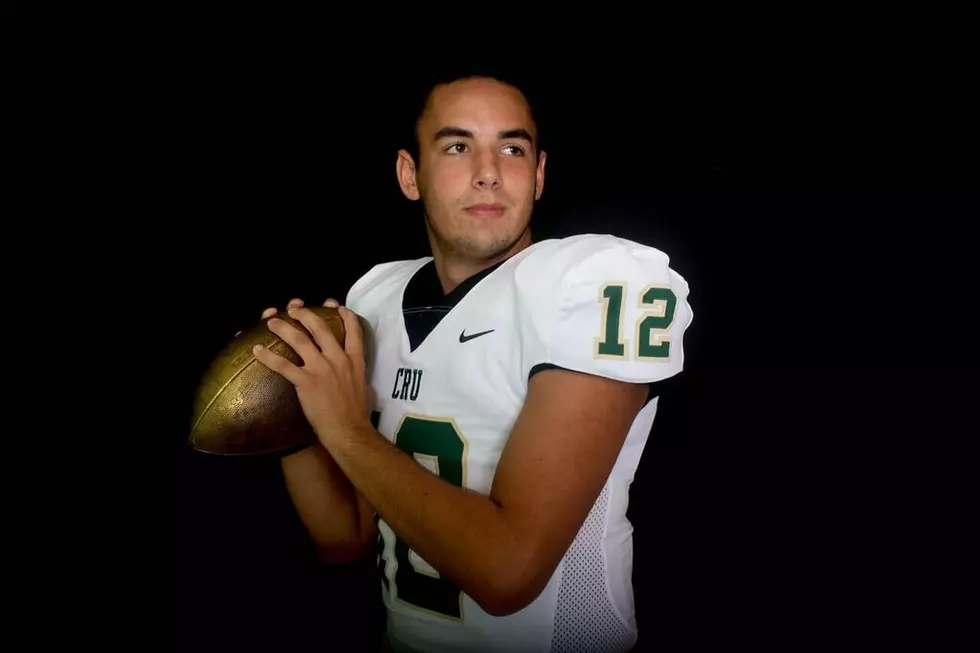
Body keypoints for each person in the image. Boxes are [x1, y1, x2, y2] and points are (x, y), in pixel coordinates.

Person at [253, 72, 694, 652]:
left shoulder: (589, 281)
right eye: (458, 146)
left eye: (512, 149)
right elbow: (346, 537)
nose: (489, 171)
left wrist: (343, 427)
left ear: (537, 176)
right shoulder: (375, 297)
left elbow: (507, 574)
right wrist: (291, 412)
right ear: (411, 175)